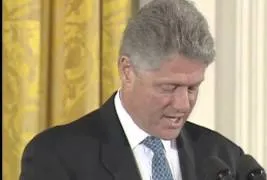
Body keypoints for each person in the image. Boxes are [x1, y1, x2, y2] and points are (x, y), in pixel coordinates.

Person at [20, 0, 247, 179]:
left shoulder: (224, 158)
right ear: (127, 70)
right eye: (169, 87)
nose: (183, 104)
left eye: (192, 88)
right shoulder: (56, 156)